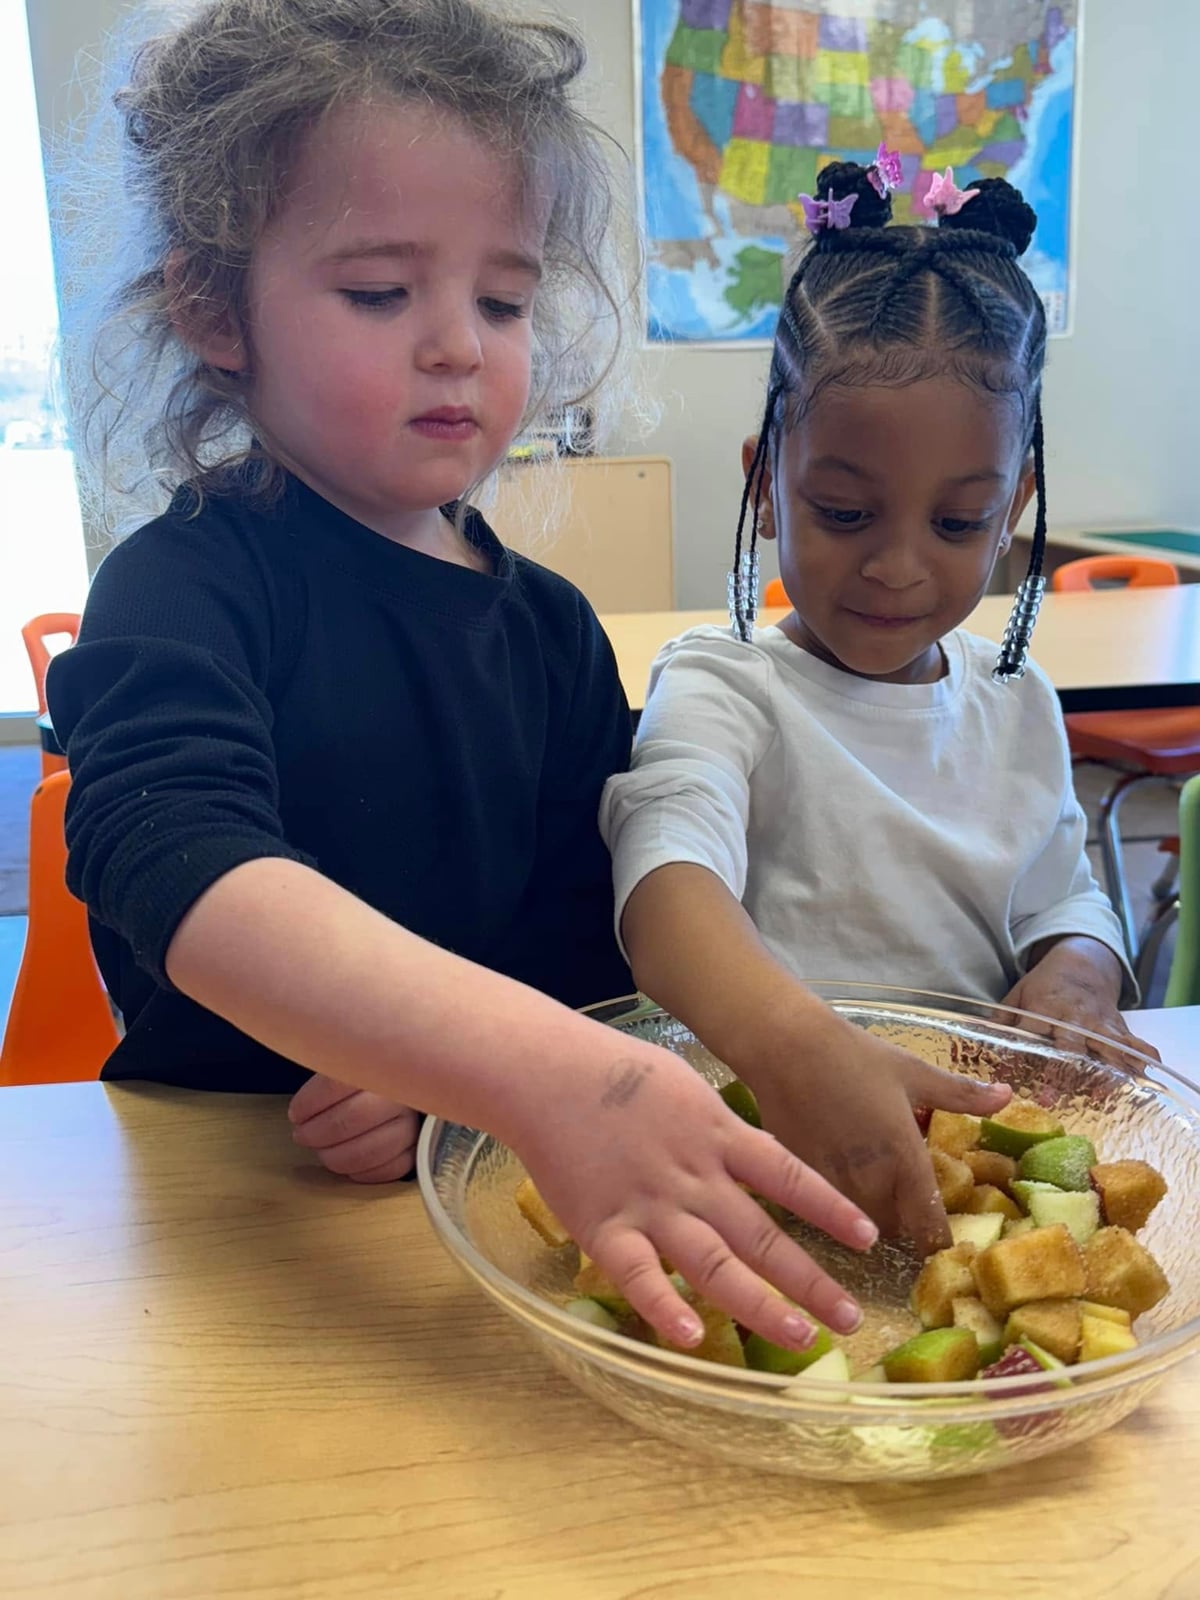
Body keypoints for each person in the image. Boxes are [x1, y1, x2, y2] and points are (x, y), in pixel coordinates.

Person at [45, 0, 961, 1357]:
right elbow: (183, 866)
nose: (458, 343)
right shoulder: (183, 588)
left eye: (505, 298)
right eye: (377, 292)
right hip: (223, 1223)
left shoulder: (550, 630)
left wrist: (469, 1091)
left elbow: (572, 955)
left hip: (466, 1202)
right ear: (213, 309)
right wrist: (521, 1073)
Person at [602, 155, 1158, 1244]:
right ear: (767, 486)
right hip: (753, 1151)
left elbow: (1068, 895)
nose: (899, 567)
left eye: (956, 525)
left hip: (962, 1168)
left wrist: (1079, 973)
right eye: (846, 513)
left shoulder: (1015, 704)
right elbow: (664, 889)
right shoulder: (725, 687)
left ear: (1014, 512)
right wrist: (799, 1047)